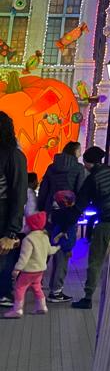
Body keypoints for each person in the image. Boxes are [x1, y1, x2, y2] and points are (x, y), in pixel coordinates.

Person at [66, 146, 110, 309]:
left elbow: (80, 205)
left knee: (96, 259)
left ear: (88, 163)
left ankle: (87, 298)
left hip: (108, 219)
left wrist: (66, 223)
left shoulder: (92, 178)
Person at [4, 210, 58, 318]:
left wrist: (17, 269)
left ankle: (17, 310)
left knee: (20, 288)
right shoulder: (45, 237)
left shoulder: (28, 239)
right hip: (40, 270)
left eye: (27, 224)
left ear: (31, 226)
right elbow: (49, 251)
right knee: (37, 287)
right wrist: (58, 247)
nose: (25, 226)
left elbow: (24, 257)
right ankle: (42, 307)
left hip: (29, 271)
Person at [0, 112, 28, 309]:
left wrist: (11, 232)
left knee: (4, 262)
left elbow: (19, 194)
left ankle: (3, 293)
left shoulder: (13, 155)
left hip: (3, 220)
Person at [37, 140, 86, 214]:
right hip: (70, 206)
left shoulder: (51, 167)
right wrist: (80, 208)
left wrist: (41, 206)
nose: (80, 154)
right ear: (75, 151)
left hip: (51, 205)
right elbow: (80, 188)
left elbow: (44, 188)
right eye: (79, 151)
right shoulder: (79, 167)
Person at [47, 190, 77, 303]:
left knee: (56, 267)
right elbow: (67, 234)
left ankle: (53, 289)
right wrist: (68, 248)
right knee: (61, 268)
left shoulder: (56, 214)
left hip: (58, 246)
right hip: (63, 247)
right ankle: (56, 292)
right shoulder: (68, 216)